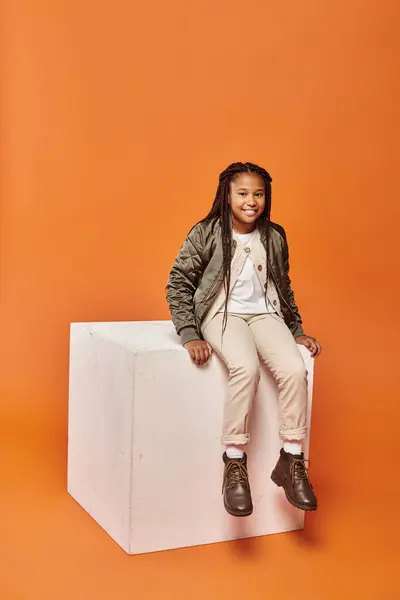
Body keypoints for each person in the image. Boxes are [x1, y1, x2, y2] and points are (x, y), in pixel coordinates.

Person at [166, 162, 321, 517]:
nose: (251, 201)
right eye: (243, 193)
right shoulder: (207, 232)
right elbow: (178, 282)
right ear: (227, 195)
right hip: (222, 313)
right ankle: (234, 463)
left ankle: (292, 459)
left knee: (295, 370)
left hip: (265, 314)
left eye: (259, 194)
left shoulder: (274, 235)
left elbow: (283, 288)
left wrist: (296, 330)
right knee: (245, 368)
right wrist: (189, 333)